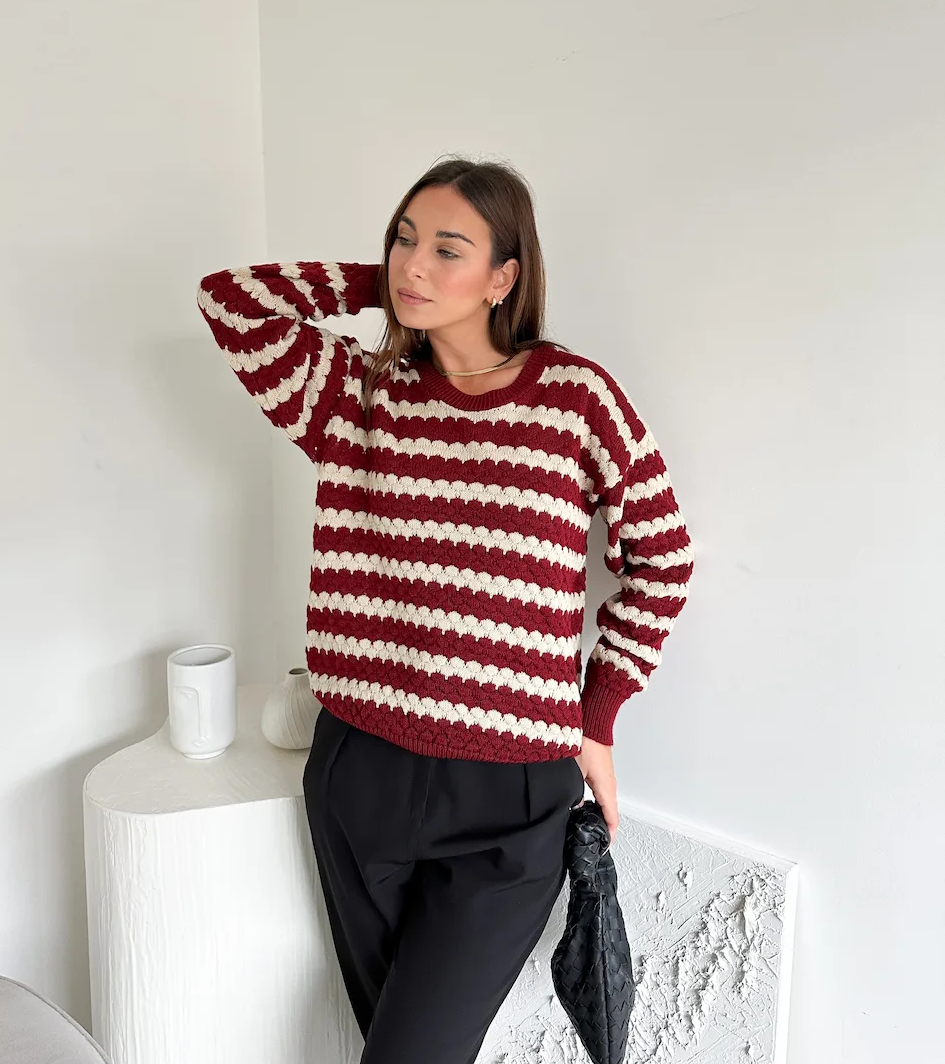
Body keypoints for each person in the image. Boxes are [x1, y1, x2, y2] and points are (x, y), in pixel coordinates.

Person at [197, 156, 694, 1064]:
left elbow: (663, 557)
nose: (414, 264)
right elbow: (231, 301)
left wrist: (599, 715)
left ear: (505, 276)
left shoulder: (575, 399)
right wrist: (383, 288)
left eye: (448, 249)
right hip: (362, 769)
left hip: (511, 794)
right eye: (403, 239)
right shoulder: (355, 393)